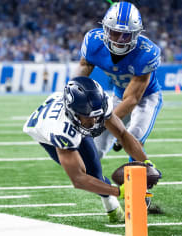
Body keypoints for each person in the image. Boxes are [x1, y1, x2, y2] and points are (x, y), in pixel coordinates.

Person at [23, 77, 160, 223]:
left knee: (95, 172)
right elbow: (78, 179)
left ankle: (111, 206)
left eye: (97, 115)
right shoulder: (60, 130)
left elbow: (122, 133)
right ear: (73, 113)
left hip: (69, 119)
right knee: (88, 174)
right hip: (45, 133)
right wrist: (119, 192)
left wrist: (146, 161)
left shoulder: (99, 105)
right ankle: (112, 208)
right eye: (88, 117)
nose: (94, 122)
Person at [74, 1, 163, 162]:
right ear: (106, 29)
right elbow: (83, 68)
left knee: (134, 138)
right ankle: (94, 182)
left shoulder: (146, 53)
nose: (120, 40)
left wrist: (103, 122)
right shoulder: (94, 42)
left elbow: (132, 99)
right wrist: (73, 97)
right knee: (95, 149)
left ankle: (136, 184)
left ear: (136, 34)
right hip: (118, 95)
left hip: (145, 98)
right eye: (115, 33)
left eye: (126, 34)